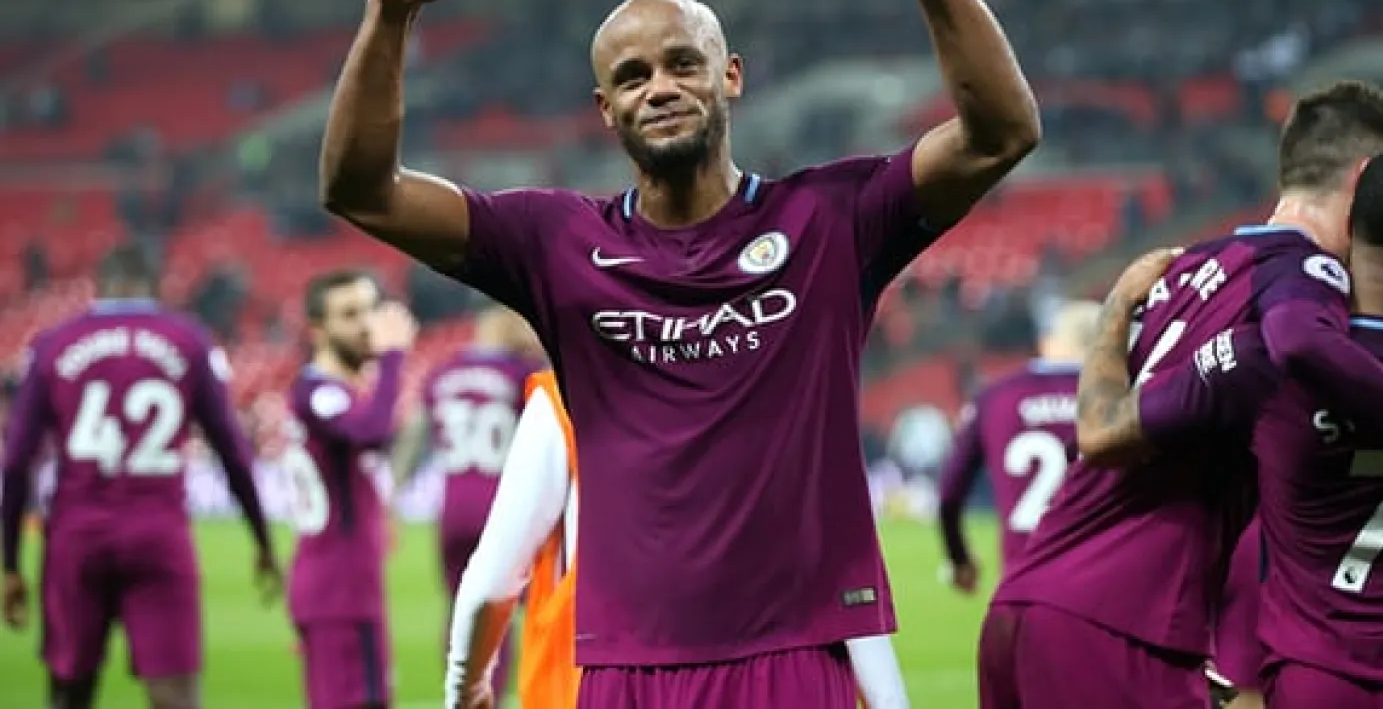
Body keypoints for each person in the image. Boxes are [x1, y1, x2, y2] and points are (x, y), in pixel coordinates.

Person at [320, 0, 1041, 706]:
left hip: (795, 656)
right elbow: (360, 190)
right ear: (604, 109)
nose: (658, 87)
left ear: (729, 75)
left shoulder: (829, 220)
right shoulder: (556, 242)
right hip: (628, 668)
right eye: (631, 77)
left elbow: (1001, 133)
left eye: (680, 64)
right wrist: (390, 14)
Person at [978, 82, 1383, 709]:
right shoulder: (1305, 282)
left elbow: (1103, 432)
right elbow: (1297, 344)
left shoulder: (1198, 266)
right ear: (1364, 182)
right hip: (1120, 624)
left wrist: (1117, 305)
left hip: (1032, 605)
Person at [444, 370, 912, 709]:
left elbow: (491, 582)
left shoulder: (566, 397)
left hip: (596, 686)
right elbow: (840, 581)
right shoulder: (784, 389)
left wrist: (466, 691)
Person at [0, 243, 280, 709]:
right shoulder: (187, 340)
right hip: (159, 532)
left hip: (77, 533)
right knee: (175, 694)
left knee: (70, 688)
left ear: (99, 286)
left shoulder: (53, 344)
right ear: (157, 287)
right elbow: (232, 450)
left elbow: (16, 461)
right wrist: (263, 542)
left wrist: (10, 563)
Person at [390, 302, 543, 698]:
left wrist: (390, 497)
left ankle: (462, 695)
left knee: (464, 608)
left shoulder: (444, 372)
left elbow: (413, 437)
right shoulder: (521, 372)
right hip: (509, 505)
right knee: (528, 602)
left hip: (454, 507)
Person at [282, 270, 417, 709]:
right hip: (338, 592)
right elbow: (370, 432)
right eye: (349, 314)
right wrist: (394, 356)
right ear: (317, 328)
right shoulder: (317, 392)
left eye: (370, 310)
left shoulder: (338, 392)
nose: (366, 324)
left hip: (348, 588)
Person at [936, 300, 1100, 592]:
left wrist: (959, 559)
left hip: (1022, 582)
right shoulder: (1123, 397)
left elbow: (949, 495)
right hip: (1100, 582)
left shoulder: (996, 396)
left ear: (1048, 343)